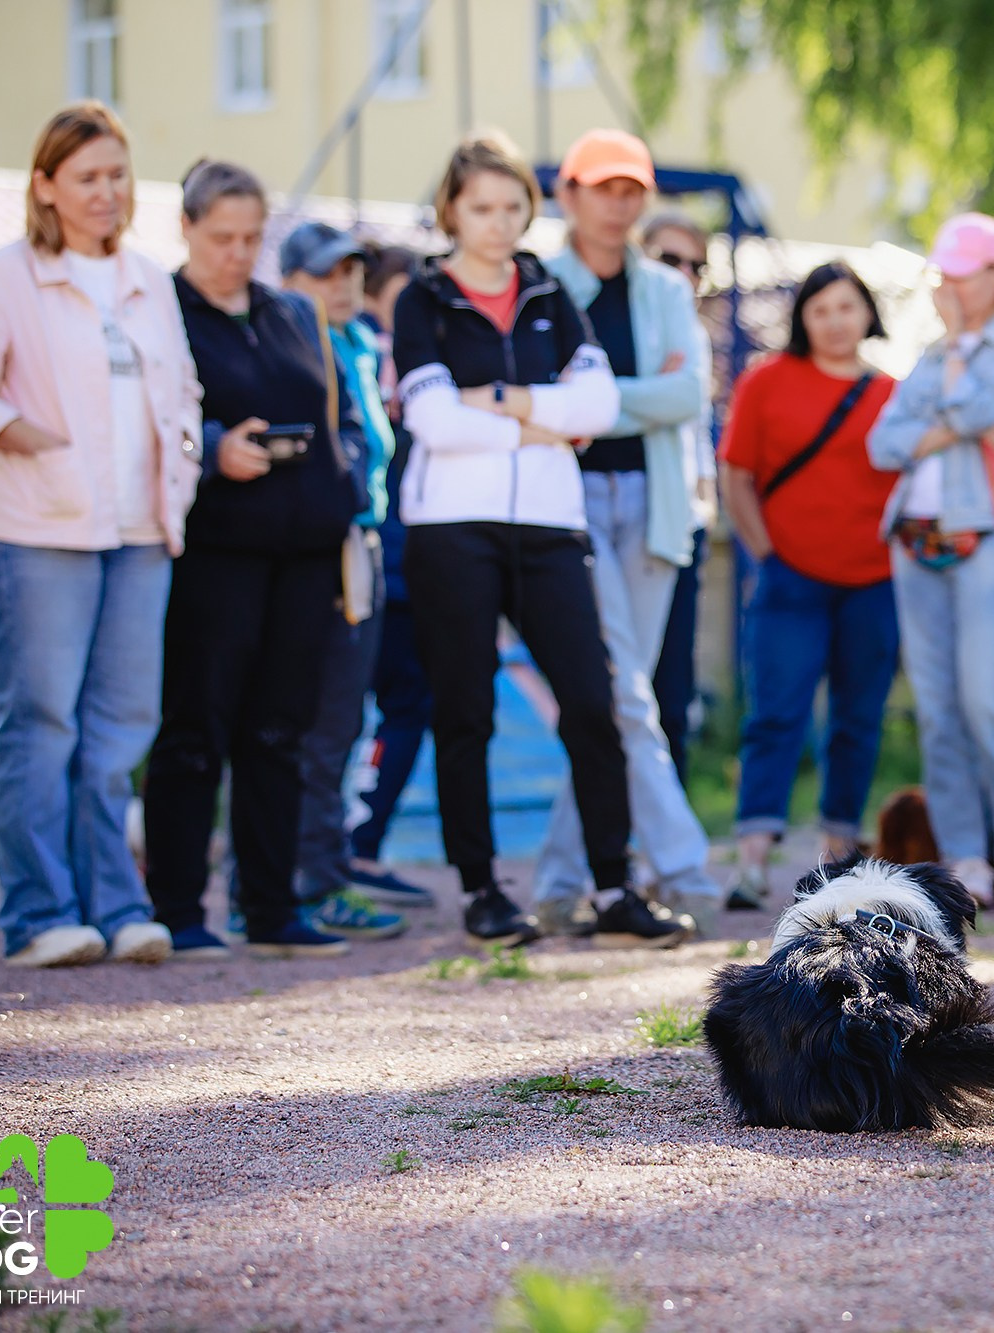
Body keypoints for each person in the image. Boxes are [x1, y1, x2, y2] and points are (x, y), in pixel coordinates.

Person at [393, 132, 688, 947]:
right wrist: (536, 415)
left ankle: (612, 886)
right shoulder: (422, 299)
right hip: (452, 532)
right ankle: (483, 887)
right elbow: (429, 418)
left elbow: (596, 407)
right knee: (467, 712)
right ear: (451, 209)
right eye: (481, 207)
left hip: (553, 529)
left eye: (512, 206)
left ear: (532, 207)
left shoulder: (552, 290)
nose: (497, 223)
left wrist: (498, 403)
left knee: (592, 705)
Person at [0, 102, 198, 967]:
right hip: (35, 533)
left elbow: (182, 393)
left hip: (138, 534)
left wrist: (177, 485)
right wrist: (32, 440)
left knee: (122, 725)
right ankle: (40, 915)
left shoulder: (151, 279)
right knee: (41, 725)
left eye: (118, 174)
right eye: (86, 177)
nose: (107, 192)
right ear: (45, 185)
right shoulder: (6, 274)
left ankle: (118, 908)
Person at [142, 159, 366, 961]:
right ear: (188, 229)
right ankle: (176, 907)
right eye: (221, 238)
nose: (237, 253)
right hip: (214, 552)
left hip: (304, 553)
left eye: (249, 238)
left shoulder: (291, 314)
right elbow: (145, 421)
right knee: (196, 729)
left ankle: (270, 907)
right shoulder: (160, 312)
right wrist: (212, 452)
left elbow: (331, 410)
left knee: (280, 732)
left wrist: (340, 507)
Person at [532, 129, 721, 928]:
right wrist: (639, 390)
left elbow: (690, 397)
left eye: (631, 188)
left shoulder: (666, 289)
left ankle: (557, 881)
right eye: (602, 186)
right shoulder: (540, 284)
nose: (618, 202)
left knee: (614, 698)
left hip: (652, 502)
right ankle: (686, 870)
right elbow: (538, 394)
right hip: (567, 509)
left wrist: (598, 397)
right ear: (568, 194)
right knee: (627, 698)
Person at [867, 212, 994, 911]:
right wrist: (961, 423)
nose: (946, 283)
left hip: (990, 538)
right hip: (915, 542)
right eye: (941, 271)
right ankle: (966, 857)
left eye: (961, 271)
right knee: (940, 708)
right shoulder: (927, 358)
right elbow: (884, 445)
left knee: (992, 699)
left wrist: (951, 388)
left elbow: (983, 402)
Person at [719, 262, 899, 909]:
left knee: (857, 718)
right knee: (775, 715)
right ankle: (752, 859)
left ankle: (837, 858)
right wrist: (767, 552)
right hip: (789, 580)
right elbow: (736, 476)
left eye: (847, 306)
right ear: (803, 318)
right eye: (820, 309)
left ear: (867, 314)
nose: (834, 320)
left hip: (874, 582)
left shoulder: (893, 394)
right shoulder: (765, 382)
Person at [270, 221, 410, 938]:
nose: (344, 283)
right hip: (322, 548)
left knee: (339, 725)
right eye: (326, 273)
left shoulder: (355, 344)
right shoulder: (295, 346)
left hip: (361, 540)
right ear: (289, 281)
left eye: (352, 270)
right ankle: (297, 883)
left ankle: (316, 876)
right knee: (314, 728)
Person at [344, 244, 437, 902]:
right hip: (383, 558)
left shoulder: (372, 351)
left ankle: (354, 845)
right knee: (385, 707)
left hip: (404, 560)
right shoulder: (373, 351)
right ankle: (355, 847)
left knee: (390, 707)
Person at [641, 212, 717, 779]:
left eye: (697, 266)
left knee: (673, 689)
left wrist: (705, 505)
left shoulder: (694, 335)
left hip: (681, 524)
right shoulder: (621, 323)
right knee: (618, 686)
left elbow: (695, 427)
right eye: (671, 260)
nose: (685, 275)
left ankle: (668, 841)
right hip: (622, 512)